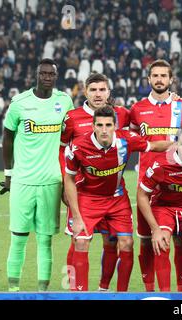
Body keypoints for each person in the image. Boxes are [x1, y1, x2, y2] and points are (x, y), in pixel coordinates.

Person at [64, 106, 172, 291]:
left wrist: (180, 145)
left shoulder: (126, 139)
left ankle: (120, 294)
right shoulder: (78, 147)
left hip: (117, 199)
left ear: (115, 126)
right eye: (99, 125)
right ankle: (78, 295)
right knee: (80, 241)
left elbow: (153, 146)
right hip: (88, 198)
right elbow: (69, 179)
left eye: (108, 125)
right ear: (93, 126)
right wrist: (77, 216)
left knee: (127, 243)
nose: (104, 130)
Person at [2, 58, 74, 291]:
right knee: (18, 238)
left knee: (45, 240)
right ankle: (13, 291)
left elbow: (73, 132)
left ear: (56, 76)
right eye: (43, 73)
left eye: (50, 74)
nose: (46, 77)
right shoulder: (19, 102)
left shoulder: (64, 101)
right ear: (36, 75)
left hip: (51, 182)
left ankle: (42, 293)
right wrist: (9, 173)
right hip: (23, 180)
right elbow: (7, 136)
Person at [60, 72, 130, 291]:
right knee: (78, 241)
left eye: (102, 90)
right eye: (93, 90)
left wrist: (171, 96)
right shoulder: (72, 117)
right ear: (85, 92)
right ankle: (73, 291)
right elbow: (61, 150)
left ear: (109, 92)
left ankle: (104, 289)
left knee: (111, 242)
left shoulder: (121, 114)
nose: (98, 94)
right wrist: (64, 183)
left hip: (112, 193)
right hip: (82, 193)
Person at [130, 59, 182, 292]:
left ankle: (179, 291)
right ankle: (150, 291)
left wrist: (160, 144)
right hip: (147, 185)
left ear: (170, 79)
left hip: (177, 182)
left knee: (179, 240)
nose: (159, 79)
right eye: (155, 76)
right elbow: (133, 141)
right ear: (148, 79)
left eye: (163, 76)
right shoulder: (137, 110)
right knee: (147, 240)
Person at [136, 125, 182, 292]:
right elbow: (141, 195)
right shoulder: (160, 165)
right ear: (175, 145)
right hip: (164, 208)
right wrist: (155, 229)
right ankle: (166, 295)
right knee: (161, 244)